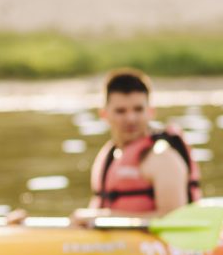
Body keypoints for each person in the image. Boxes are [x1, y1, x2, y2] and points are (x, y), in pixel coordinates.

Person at [80, 68, 201, 221]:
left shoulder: (162, 157)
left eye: (138, 109)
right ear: (104, 114)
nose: (131, 119)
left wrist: (105, 217)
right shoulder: (108, 156)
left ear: (150, 112)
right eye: (120, 111)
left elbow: (174, 220)